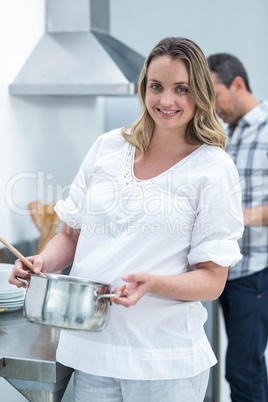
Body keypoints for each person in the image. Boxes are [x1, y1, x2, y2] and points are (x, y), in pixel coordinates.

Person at [10, 37, 243, 402]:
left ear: (199, 93)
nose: (166, 101)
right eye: (156, 87)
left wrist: (153, 283)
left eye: (181, 89)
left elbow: (212, 281)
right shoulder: (108, 146)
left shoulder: (213, 167)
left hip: (164, 363)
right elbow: (71, 234)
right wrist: (42, 262)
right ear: (143, 89)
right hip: (93, 354)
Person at [207, 53, 268, 402]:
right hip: (222, 270)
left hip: (254, 272)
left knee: (243, 372)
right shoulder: (226, 133)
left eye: (214, 95)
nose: (212, 107)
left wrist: (236, 216)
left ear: (238, 85)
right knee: (242, 369)